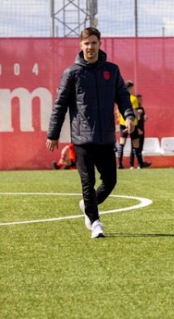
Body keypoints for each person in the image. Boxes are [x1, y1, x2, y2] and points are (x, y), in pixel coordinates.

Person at [46, 27, 134, 239]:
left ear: (99, 44)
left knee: (110, 181)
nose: (90, 47)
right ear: (81, 45)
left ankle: (87, 204)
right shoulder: (72, 73)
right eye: (87, 43)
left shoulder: (111, 71)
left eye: (94, 43)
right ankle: (95, 223)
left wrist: (129, 116)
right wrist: (53, 133)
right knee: (88, 181)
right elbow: (60, 105)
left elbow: (122, 96)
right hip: (82, 138)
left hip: (105, 136)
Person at [117, 81, 151, 170]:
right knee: (136, 144)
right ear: (129, 88)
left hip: (122, 123)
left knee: (121, 144)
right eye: (132, 88)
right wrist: (139, 113)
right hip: (132, 124)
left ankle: (119, 164)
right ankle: (140, 163)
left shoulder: (120, 97)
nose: (133, 90)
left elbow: (117, 112)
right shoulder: (133, 98)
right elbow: (135, 112)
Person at [129, 94, 149, 169]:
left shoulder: (142, 108)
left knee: (140, 148)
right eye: (139, 99)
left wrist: (144, 118)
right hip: (136, 129)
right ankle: (131, 165)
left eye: (141, 99)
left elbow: (141, 118)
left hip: (142, 130)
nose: (141, 101)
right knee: (134, 148)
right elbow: (134, 120)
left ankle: (139, 164)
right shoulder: (135, 109)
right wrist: (137, 129)